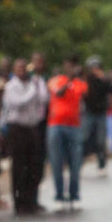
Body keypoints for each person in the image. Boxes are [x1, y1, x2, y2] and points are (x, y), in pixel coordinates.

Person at [2, 59, 49, 215]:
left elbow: (43, 99)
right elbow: (18, 103)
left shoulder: (33, 83)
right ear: (14, 70)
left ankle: (32, 201)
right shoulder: (11, 86)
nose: (22, 71)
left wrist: (38, 82)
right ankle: (20, 203)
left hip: (32, 128)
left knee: (34, 165)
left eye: (24, 68)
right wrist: (32, 91)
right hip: (17, 129)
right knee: (19, 167)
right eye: (19, 69)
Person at [46, 57, 88, 211]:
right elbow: (59, 93)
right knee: (57, 162)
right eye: (68, 66)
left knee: (75, 163)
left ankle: (74, 194)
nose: (70, 69)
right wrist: (68, 80)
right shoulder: (56, 80)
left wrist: (79, 78)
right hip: (56, 126)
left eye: (73, 67)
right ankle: (59, 194)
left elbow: (86, 94)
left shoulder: (80, 84)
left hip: (74, 127)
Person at [82, 56, 112, 176]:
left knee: (100, 140)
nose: (95, 70)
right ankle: (80, 162)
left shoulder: (103, 80)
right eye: (92, 68)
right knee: (84, 138)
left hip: (100, 114)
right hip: (89, 113)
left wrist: (103, 79)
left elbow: (111, 90)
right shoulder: (85, 81)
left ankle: (102, 164)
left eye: (97, 67)